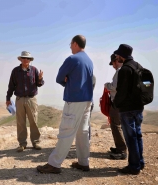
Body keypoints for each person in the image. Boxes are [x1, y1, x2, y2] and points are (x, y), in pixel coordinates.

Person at [37, 35, 93, 174]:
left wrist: (66, 82)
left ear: (75, 44)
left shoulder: (72, 59)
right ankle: (83, 162)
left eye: (70, 44)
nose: (70, 47)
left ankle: (54, 164)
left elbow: (59, 78)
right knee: (83, 132)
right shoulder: (89, 60)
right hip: (87, 100)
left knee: (66, 132)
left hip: (74, 100)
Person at [113, 44, 144, 175]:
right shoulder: (139, 66)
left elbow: (121, 91)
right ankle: (140, 162)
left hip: (127, 109)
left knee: (131, 138)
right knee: (137, 136)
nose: (116, 58)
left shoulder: (125, 69)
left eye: (117, 56)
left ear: (121, 56)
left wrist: (115, 104)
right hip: (139, 107)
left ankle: (134, 166)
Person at [6, 51, 44, 152]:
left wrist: (40, 79)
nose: (25, 60)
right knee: (21, 122)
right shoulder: (15, 71)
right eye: (24, 58)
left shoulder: (34, 70)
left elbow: (39, 84)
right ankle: (22, 144)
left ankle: (35, 142)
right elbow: (11, 86)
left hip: (31, 99)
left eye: (27, 58)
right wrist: (8, 99)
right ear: (21, 59)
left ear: (30, 60)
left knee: (34, 121)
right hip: (19, 99)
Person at [104, 54, 127, 160]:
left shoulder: (119, 71)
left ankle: (121, 150)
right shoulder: (125, 70)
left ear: (115, 61)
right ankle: (120, 148)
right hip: (123, 103)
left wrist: (106, 85)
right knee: (118, 125)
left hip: (117, 103)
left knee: (115, 125)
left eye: (113, 63)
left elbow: (114, 86)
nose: (113, 66)